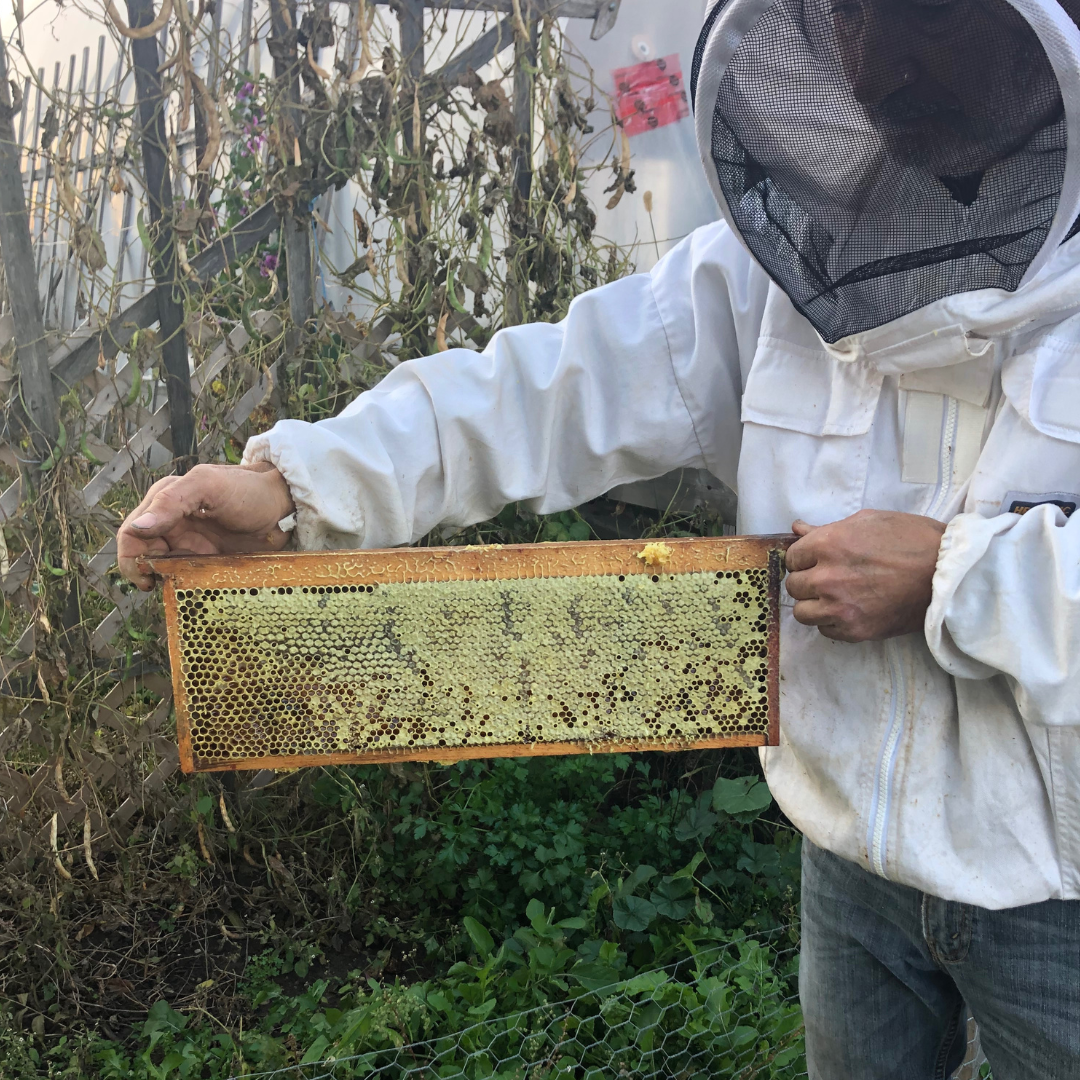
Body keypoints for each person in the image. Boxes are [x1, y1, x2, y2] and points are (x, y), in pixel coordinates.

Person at [118, 0, 1080, 1075]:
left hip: (1064, 898)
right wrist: (298, 489)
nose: (879, 68)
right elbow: (549, 385)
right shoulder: (782, 259)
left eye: (921, 22)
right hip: (849, 857)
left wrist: (956, 577)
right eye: (845, 24)